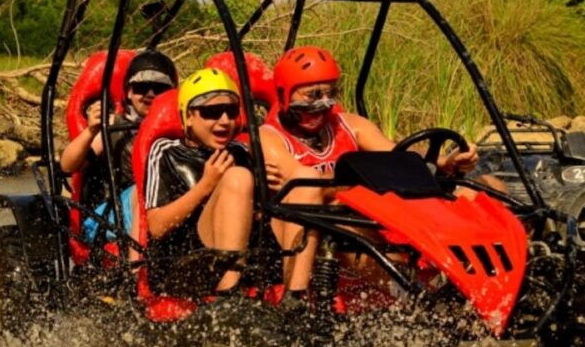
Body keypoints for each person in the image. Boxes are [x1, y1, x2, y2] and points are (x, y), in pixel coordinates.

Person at [260, 46, 486, 293]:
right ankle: (402, 293)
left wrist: (444, 162)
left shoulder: (351, 126)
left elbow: (396, 156)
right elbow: (305, 187)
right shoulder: (270, 138)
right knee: (336, 218)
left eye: (329, 93)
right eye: (312, 95)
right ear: (285, 94)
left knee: (476, 191)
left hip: (365, 218)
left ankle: (476, 279)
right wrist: (360, 178)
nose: (322, 104)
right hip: (309, 231)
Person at [144, 68, 254, 296]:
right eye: (211, 112)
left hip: (241, 257)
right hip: (184, 263)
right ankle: (229, 294)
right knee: (238, 177)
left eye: (231, 111)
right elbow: (156, 227)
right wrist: (206, 185)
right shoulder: (166, 151)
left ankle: (301, 295)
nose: (225, 121)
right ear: (189, 117)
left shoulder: (241, 151)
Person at [61, 49, 177, 244]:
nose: (150, 94)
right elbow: (68, 166)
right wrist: (91, 131)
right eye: (142, 87)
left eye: (159, 88)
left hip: (162, 209)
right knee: (142, 193)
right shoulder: (113, 125)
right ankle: (137, 268)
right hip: (112, 214)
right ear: (129, 92)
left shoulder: (183, 128)